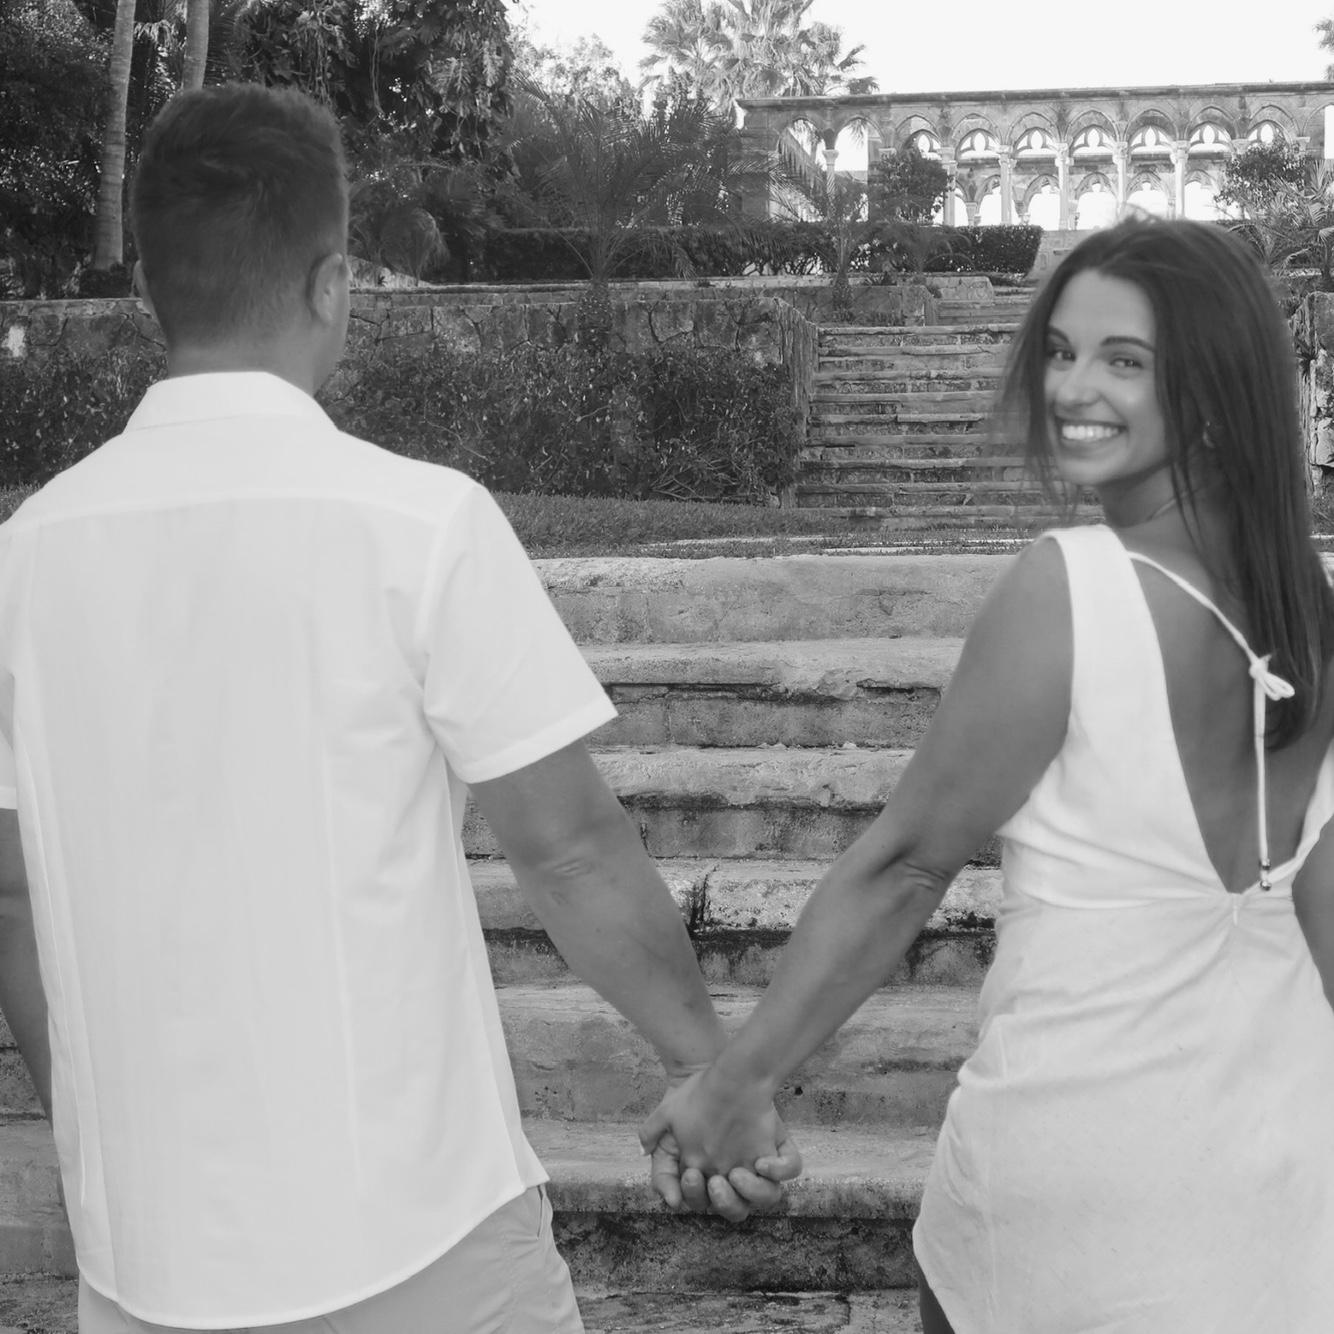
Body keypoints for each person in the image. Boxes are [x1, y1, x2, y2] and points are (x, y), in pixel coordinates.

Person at [0, 84, 797, 1334]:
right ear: (331, 286)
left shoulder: (25, 555)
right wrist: (708, 1066)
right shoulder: (418, 523)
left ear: (151, 284)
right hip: (413, 1235)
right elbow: (568, 848)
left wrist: (111, 1157)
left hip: (145, 1266)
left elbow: (12, 894)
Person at [640, 216, 1334, 1331]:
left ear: (1211, 387)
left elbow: (906, 868)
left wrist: (736, 1082)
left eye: (1123, 359)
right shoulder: (1307, 608)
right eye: (1060, 349)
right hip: (1275, 1192)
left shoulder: (1070, 586)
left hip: (1074, 1192)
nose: (1072, 386)